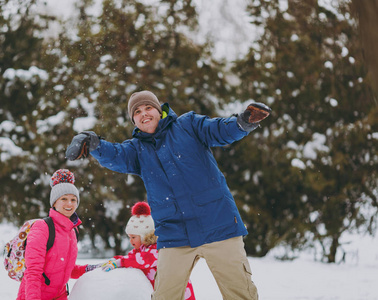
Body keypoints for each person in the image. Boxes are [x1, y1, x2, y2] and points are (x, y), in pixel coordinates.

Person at [65, 91, 271, 299]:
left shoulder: (188, 125)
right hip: (174, 233)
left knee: (240, 293)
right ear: (133, 120)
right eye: (137, 112)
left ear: (158, 109)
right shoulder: (137, 149)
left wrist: (242, 123)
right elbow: (116, 154)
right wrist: (94, 144)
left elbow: (219, 129)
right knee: (164, 296)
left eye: (148, 108)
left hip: (218, 223)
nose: (143, 114)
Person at [17, 169, 97, 300]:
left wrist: (89, 269)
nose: (69, 204)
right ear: (54, 202)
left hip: (59, 296)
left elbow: (65, 269)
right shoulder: (42, 227)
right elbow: (33, 272)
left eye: (73, 199)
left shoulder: (73, 231)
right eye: (64, 199)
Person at [100, 201, 196, 300]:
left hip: (178, 289)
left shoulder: (157, 249)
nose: (131, 240)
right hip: (163, 292)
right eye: (129, 237)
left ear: (144, 236)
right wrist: (114, 260)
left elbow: (140, 260)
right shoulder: (141, 249)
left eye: (133, 237)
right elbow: (130, 257)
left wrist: (119, 263)